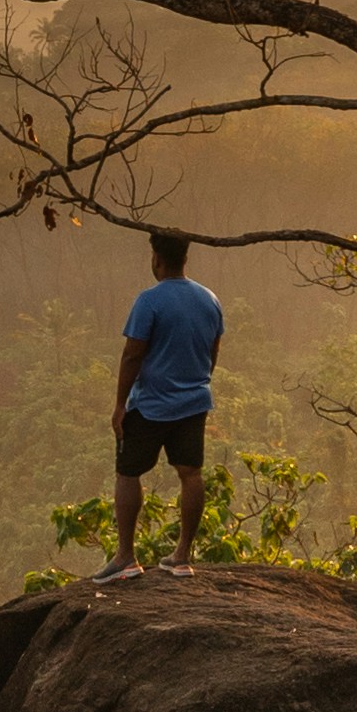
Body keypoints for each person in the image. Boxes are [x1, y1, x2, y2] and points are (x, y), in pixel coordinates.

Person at [103, 233, 224, 570]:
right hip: (194, 402)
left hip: (150, 405)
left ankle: (126, 556)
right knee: (191, 474)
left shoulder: (149, 301)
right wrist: (197, 382)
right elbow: (213, 350)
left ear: (156, 258)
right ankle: (182, 555)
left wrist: (119, 404)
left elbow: (132, 355)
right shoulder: (209, 299)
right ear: (184, 259)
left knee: (127, 473)